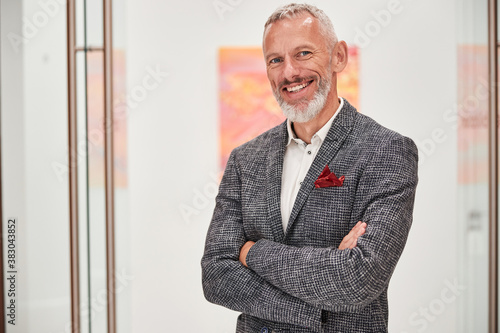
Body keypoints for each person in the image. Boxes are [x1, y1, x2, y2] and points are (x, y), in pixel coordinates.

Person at [201, 3, 418, 332]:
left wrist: (251, 252)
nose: (289, 73)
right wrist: (315, 304)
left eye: (303, 53)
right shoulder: (245, 160)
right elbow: (216, 275)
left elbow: (358, 278)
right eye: (275, 60)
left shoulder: (386, 151)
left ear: (338, 57)